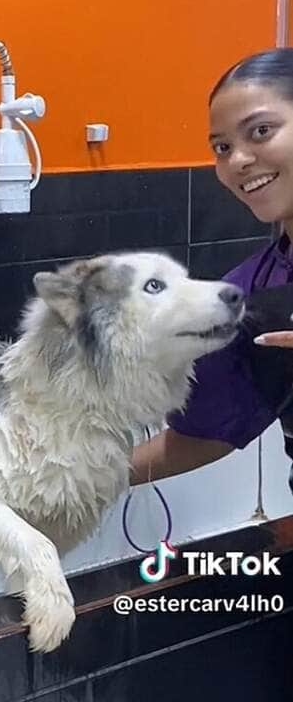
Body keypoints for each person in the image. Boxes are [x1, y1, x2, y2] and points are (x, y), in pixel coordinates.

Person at [132, 47, 293, 486]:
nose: (237, 160)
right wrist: (61, 479)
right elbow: (213, 429)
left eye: (260, 131)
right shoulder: (259, 290)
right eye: (222, 147)